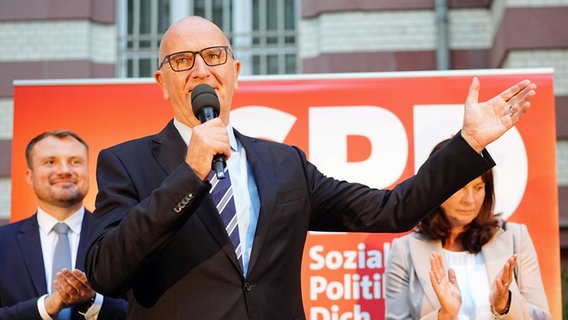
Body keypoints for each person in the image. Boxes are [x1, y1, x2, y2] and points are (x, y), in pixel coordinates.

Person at [84, 15, 537, 319]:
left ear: (236, 72)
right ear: (162, 84)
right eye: (182, 61)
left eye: (214, 56)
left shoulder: (284, 164)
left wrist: (468, 143)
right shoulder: (125, 163)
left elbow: (391, 210)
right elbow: (106, 271)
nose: (201, 69)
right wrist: (190, 171)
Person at [384, 139, 551, 320]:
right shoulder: (404, 250)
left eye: (478, 187)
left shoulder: (515, 237)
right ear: (435, 189)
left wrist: (506, 305)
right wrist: (444, 315)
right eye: (459, 189)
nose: (470, 200)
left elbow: (542, 317)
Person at [0, 130, 127, 320]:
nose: (64, 170)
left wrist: (93, 302)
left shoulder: (119, 236)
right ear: (29, 176)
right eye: (50, 162)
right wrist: (45, 307)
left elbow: (141, 310)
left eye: (76, 161)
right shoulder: (3, 242)